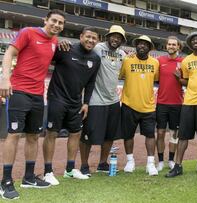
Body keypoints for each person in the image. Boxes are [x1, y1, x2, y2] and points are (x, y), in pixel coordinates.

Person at [0, 9, 65, 200]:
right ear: (45, 20)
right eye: (54, 20)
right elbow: (10, 53)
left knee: (33, 136)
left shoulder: (54, 42)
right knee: (13, 135)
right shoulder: (28, 32)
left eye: (60, 23)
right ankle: (5, 181)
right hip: (18, 91)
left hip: (38, 95)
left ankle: (29, 177)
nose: (57, 25)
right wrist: (4, 78)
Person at [42, 26, 101, 185]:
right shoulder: (65, 49)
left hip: (76, 102)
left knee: (76, 133)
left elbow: (90, 83)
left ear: (97, 41)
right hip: (57, 98)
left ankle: (69, 170)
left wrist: (86, 103)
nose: (90, 40)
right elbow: (45, 58)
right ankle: (48, 171)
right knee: (52, 133)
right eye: (88, 37)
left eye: (94, 38)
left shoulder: (96, 59)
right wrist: (58, 43)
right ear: (81, 36)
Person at [79, 25, 126, 176]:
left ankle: (102, 163)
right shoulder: (97, 48)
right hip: (95, 99)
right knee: (87, 134)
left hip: (113, 100)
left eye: (119, 38)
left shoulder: (122, 54)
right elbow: (81, 49)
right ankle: (84, 165)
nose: (116, 39)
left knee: (109, 135)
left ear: (122, 41)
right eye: (114, 36)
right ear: (108, 36)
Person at [165, 31, 197, 178]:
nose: (195, 42)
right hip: (189, 102)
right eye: (193, 40)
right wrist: (179, 79)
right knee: (183, 136)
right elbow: (187, 80)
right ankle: (178, 165)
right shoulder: (186, 60)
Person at [119, 35, 159, 176]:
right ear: (136, 46)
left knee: (150, 135)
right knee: (128, 135)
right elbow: (119, 75)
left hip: (148, 106)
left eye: (145, 44)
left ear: (149, 47)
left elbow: (157, 79)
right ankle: (130, 161)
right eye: (139, 44)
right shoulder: (127, 60)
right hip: (129, 104)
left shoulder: (155, 63)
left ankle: (150, 164)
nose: (142, 46)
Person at [156, 36, 184, 171]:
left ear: (178, 47)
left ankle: (171, 160)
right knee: (160, 133)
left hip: (177, 104)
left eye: (174, 44)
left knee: (174, 134)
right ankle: (160, 161)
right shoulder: (159, 61)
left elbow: (187, 80)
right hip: (161, 103)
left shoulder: (183, 62)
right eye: (169, 44)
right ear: (166, 46)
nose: (171, 46)